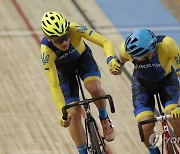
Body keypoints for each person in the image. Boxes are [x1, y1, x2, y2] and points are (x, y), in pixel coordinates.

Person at [40, 11, 120, 154]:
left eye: (65, 37)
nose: (64, 42)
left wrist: (110, 59)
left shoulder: (75, 28)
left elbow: (105, 42)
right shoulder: (46, 51)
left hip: (83, 60)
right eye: (58, 40)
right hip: (65, 72)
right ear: (48, 38)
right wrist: (62, 112)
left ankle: (104, 116)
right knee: (73, 113)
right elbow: (54, 84)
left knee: (94, 88)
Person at [117, 29, 180, 154]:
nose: (135, 59)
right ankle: (153, 151)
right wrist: (115, 66)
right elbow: (120, 63)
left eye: (139, 56)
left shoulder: (168, 45)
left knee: (175, 118)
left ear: (152, 50)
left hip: (167, 83)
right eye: (134, 56)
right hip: (142, 86)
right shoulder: (126, 49)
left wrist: (179, 105)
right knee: (145, 127)